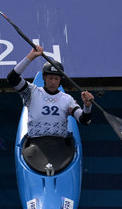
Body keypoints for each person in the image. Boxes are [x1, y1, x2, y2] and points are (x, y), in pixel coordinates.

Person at [7, 45, 94, 175]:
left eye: (56, 78)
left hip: (60, 146)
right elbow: (12, 78)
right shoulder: (31, 92)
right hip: (36, 144)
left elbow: (84, 120)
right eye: (50, 78)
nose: (53, 81)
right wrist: (31, 57)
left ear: (60, 81)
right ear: (44, 78)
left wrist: (87, 106)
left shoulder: (67, 99)